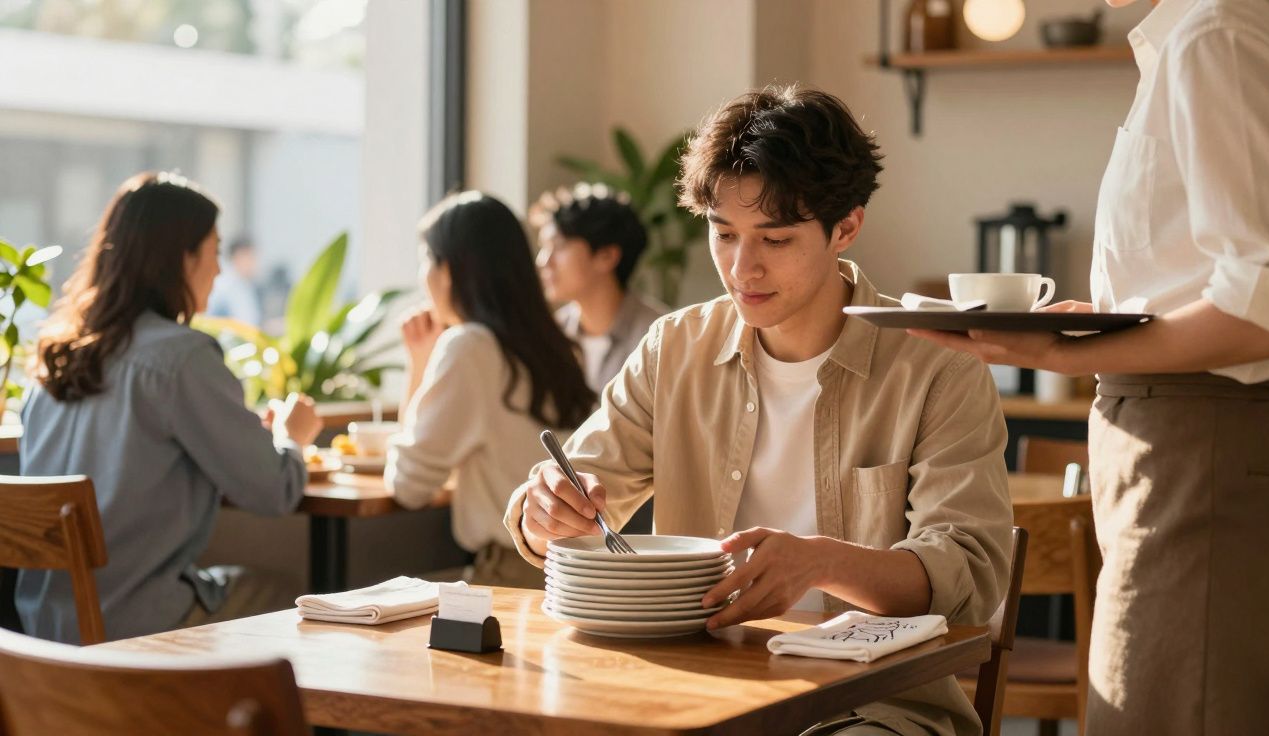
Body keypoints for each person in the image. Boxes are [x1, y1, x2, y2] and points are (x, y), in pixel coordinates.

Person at [504, 86, 1013, 735]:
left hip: (870, 705)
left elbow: (969, 575)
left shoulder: (937, 364)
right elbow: (565, 495)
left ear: (846, 227)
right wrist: (544, 512)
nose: (743, 269)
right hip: (694, 690)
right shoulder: (675, 348)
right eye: (724, 234)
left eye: (775, 239)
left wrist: (824, 562)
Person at [908, 0, 1269, 732]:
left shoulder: (1219, 31)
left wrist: (1069, 353)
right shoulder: (1196, 37)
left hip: (1199, 452)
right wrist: (1098, 324)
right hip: (1181, 449)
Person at [18, 171, 322, 644]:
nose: (219, 270)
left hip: (41, 635)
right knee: (289, 597)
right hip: (133, 631)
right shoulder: (181, 358)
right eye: (214, 251)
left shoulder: (54, 360)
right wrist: (291, 436)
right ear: (181, 257)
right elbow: (273, 490)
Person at [386, 191, 595, 589]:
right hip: (573, 575)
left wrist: (419, 363)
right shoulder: (558, 346)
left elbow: (408, 485)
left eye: (425, 260)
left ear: (448, 271)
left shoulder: (469, 346)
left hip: (510, 576)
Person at [531, 183, 668, 393]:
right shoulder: (552, 335)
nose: (543, 261)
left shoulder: (660, 337)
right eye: (543, 247)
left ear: (607, 256)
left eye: (558, 246)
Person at [206, 236, 262, 326]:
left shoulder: (243, 283)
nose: (253, 263)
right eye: (249, 257)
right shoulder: (226, 285)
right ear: (237, 257)